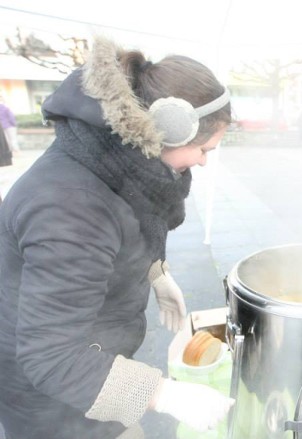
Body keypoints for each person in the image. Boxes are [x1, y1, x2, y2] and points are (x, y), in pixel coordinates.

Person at [0, 37, 234, 439]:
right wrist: (164, 395)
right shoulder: (70, 208)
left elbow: (131, 220)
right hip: (50, 401)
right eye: (204, 149)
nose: (204, 161)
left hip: (90, 364)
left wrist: (155, 274)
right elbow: (52, 358)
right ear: (169, 130)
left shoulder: (115, 159)